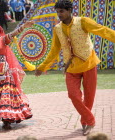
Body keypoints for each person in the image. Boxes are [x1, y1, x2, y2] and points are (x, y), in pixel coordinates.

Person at [34, 0, 115, 136]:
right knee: (73, 95)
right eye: (58, 11)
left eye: (62, 11)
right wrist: (42, 66)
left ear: (69, 10)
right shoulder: (57, 29)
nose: (59, 14)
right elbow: (54, 50)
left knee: (89, 97)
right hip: (71, 68)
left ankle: (86, 123)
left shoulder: (83, 21)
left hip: (88, 63)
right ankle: (90, 120)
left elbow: (103, 31)